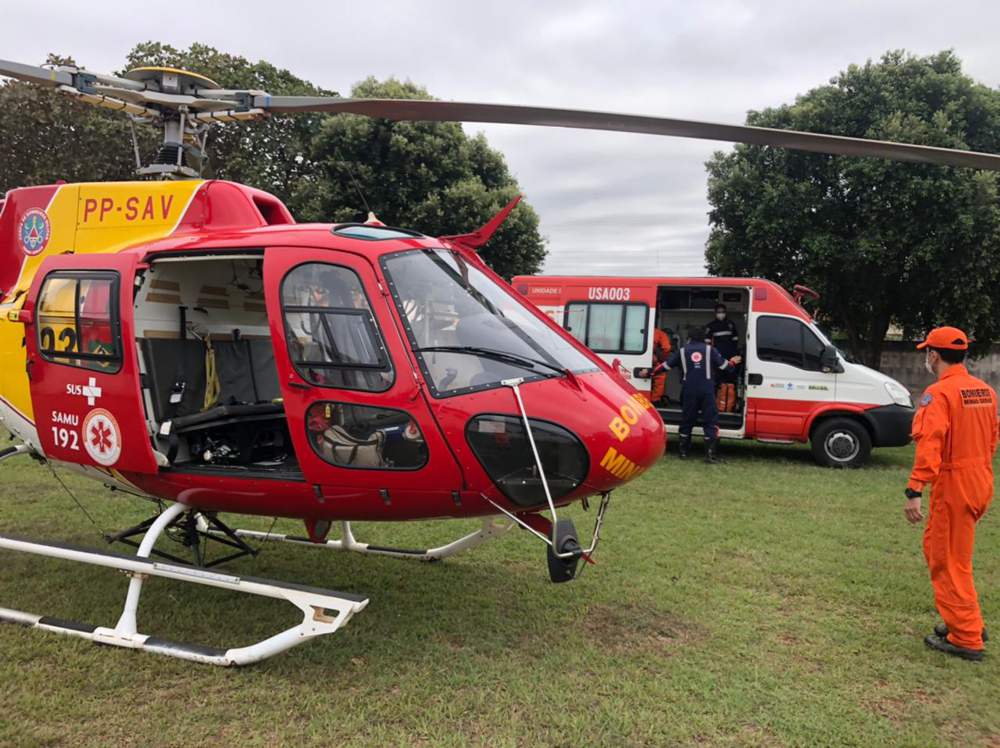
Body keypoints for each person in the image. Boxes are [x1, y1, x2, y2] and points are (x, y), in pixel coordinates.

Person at [905, 326, 999, 661]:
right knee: (951, 555)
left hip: (955, 485)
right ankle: (962, 620)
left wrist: (915, 488)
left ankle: (967, 637)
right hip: (979, 481)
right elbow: (991, 439)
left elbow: (931, 443)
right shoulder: (984, 391)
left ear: (934, 355)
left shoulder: (940, 394)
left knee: (947, 562)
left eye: (926, 353)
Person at [641, 327, 741, 463]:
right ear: (703, 338)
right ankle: (710, 456)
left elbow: (665, 366)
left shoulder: (682, 351)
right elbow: (726, 367)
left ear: (689, 338)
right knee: (710, 422)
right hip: (707, 390)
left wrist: (649, 372)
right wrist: (733, 361)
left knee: (687, 420)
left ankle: (683, 453)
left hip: (689, 390)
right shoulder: (710, 350)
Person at [706, 304, 740, 413]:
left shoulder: (731, 325)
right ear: (715, 313)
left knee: (730, 382)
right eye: (719, 312)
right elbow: (707, 345)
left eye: (723, 311)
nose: (721, 314)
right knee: (717, 382)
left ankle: (728, 406)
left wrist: (735, 356)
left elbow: (735, 341)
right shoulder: (710, 326)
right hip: (717, 358)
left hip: (731, 357)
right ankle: (716, 406)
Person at [650, 327, 672, 405]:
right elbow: (667, 348)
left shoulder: (642, 330)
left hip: (642, 360)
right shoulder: (660, 333)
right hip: (655, 362)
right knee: (659, 378)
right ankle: (655, 400)